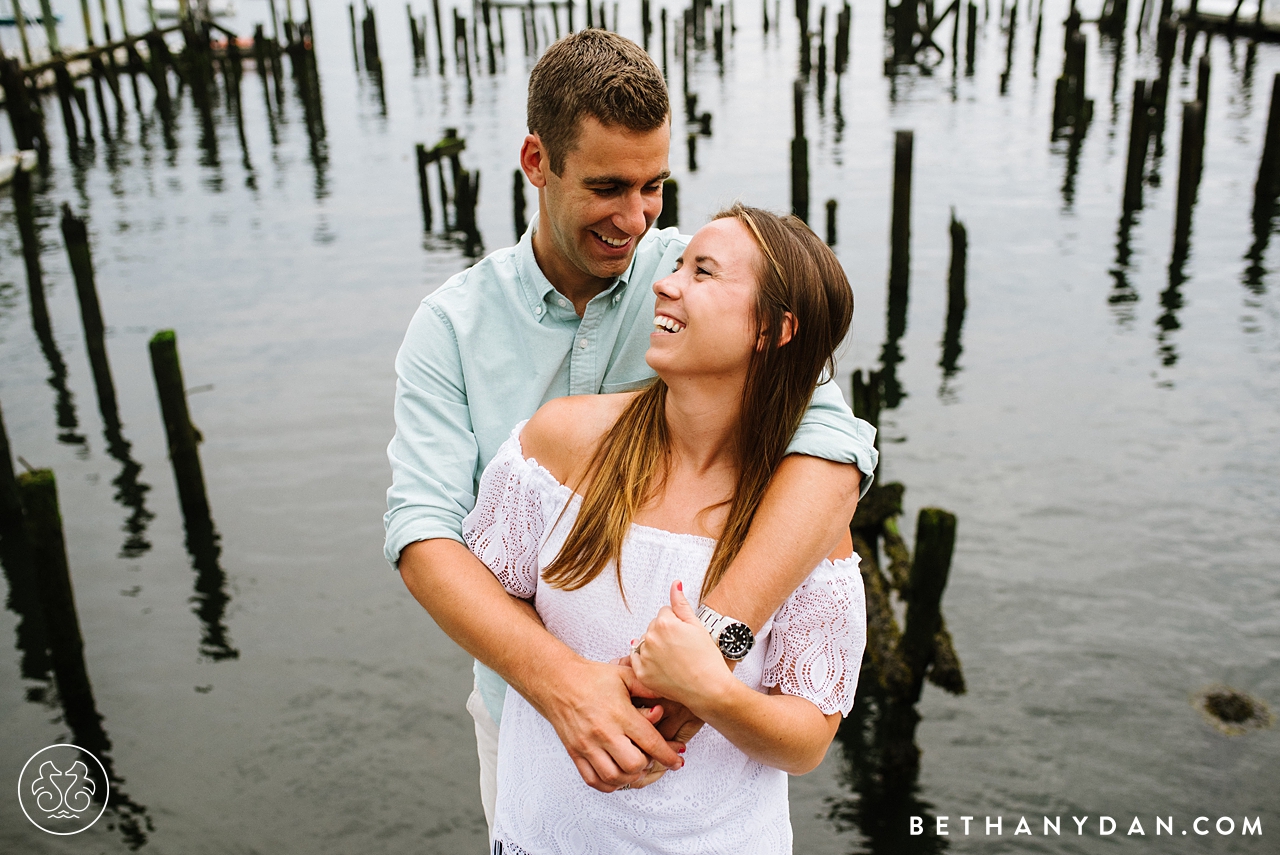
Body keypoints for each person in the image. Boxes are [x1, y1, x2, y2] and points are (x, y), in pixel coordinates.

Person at [383, 30, 877, 832]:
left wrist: (703, 662)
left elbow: (836, 446)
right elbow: (423, 534)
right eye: (609, 186)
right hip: (527, 717)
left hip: (711, 774)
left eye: (653, 186)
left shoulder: (697, 277)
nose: (637, 220)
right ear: (537, 162)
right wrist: (562, 683)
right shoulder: (450, 328)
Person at [463, 204, 867, 852]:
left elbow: (807, 740)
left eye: (702, 272)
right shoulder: (561, 442)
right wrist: (568, 683)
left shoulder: (800, 522)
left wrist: (713, 692)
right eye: (678, 264)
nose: (664, 282)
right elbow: (483, 590)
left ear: (773, 328)